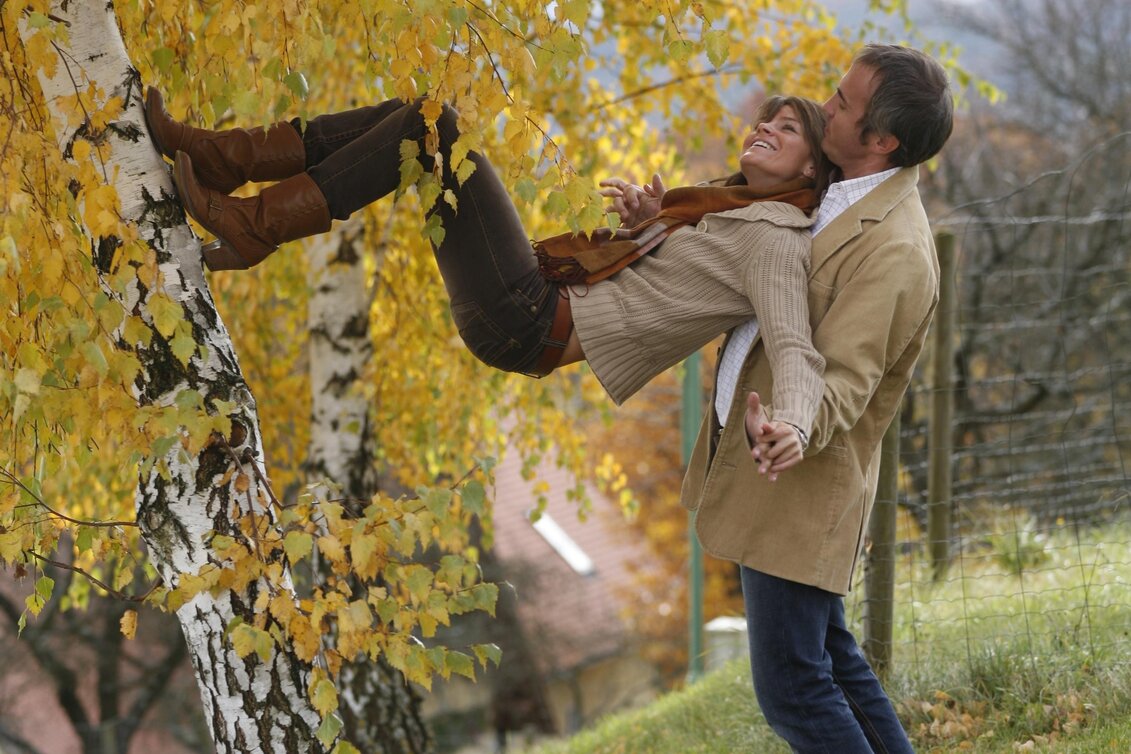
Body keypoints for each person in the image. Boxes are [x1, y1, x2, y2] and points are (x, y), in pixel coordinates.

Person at [146, 89, 831, 454]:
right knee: (412, 122)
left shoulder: (776, 238)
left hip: (527, 319)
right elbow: (661, 286)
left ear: (810, 169)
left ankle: (251, 218)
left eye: (788, 128)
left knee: (436, 125)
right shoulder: (725, 206)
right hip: (530, 306)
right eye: (765, 117)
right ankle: (222, 162)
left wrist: (793, 425)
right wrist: (643, 225)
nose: (764, 126)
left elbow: (794, 344)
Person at [682, 44, 953, 753]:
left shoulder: (895, 248)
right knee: (831, 665)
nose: (823, 107)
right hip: (762, 466)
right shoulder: (831, 188)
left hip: (797, 483)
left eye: (841, 103)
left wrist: (793, 428)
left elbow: (846, 377)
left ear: (882, 140)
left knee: (794, 691)